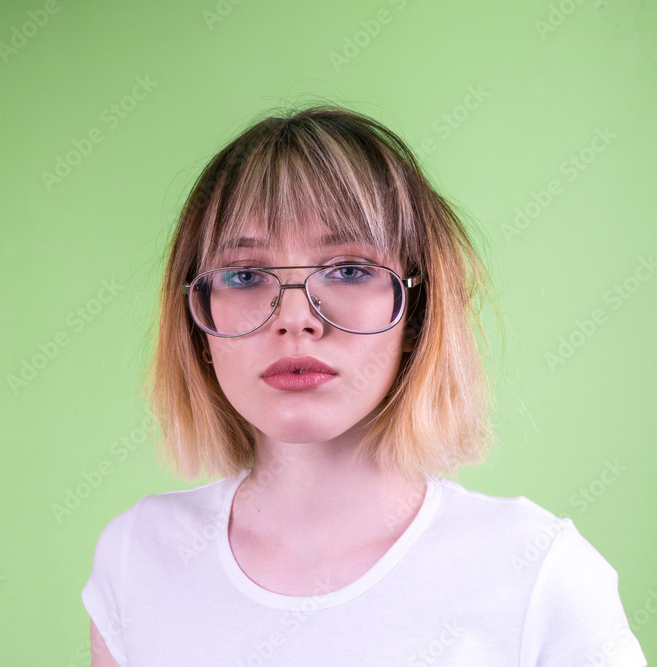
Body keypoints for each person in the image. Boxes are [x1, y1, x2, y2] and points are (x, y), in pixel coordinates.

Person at [80, 104, 648, 666]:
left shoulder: (539, 574)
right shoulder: (137, 558)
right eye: (244, 275)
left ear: (418, 311)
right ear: (197, 319)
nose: (296, 318)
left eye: (349, 269)